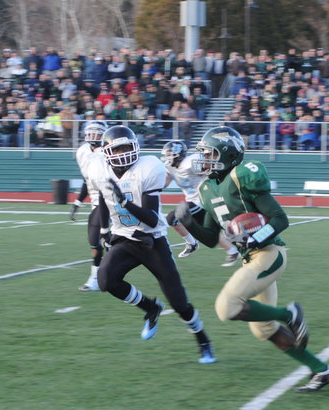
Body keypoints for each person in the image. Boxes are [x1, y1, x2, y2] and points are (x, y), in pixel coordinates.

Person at [175, 126, 329, 392]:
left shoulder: (241, 176)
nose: (204, 159)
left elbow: (280, 219)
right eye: (203, 153)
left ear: (227, 155)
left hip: (269, 252)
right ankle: (322, 370)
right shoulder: (206, 188)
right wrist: (188, 223)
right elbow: (210, 237)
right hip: (250, 259)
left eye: (210, 153)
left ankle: (290, 314)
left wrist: (254, 238)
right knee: (263, 329)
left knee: (226, 307)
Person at [87, 125, 216, 364]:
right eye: (118, 149)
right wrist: (104, 231)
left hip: (152, 240)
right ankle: (150, 308)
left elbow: (151, 218)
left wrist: (124, 202)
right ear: (107, 152)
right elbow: (104, 200)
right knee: (106, 281)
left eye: (127, 147)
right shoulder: (99, 169)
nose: (123, 153)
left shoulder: (147, 168)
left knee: (178, 302)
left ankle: (203, 340)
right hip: (124, 238)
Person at [160, 140, 240, 266]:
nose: (167, 157)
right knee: (209, 230)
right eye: (167, 154)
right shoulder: (170, 168)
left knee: (172, 218)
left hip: (202, 199)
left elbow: (211, 169)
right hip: (193, 201)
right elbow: (164, 183)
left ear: (178, 154)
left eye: (170, 154)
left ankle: (192, 243)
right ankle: (232, 251)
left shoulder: (190, 162)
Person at [72, 120, 109, 291]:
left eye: (98, 133)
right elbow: (87, 179)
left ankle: (96, 278)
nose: (94, 136)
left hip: (111, 196)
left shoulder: (108, 150)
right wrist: (78, 202)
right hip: (96, 200)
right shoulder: (82, 152)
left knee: (98, 238)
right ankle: (98, 276)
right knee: (96, 242)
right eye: (91, 133)